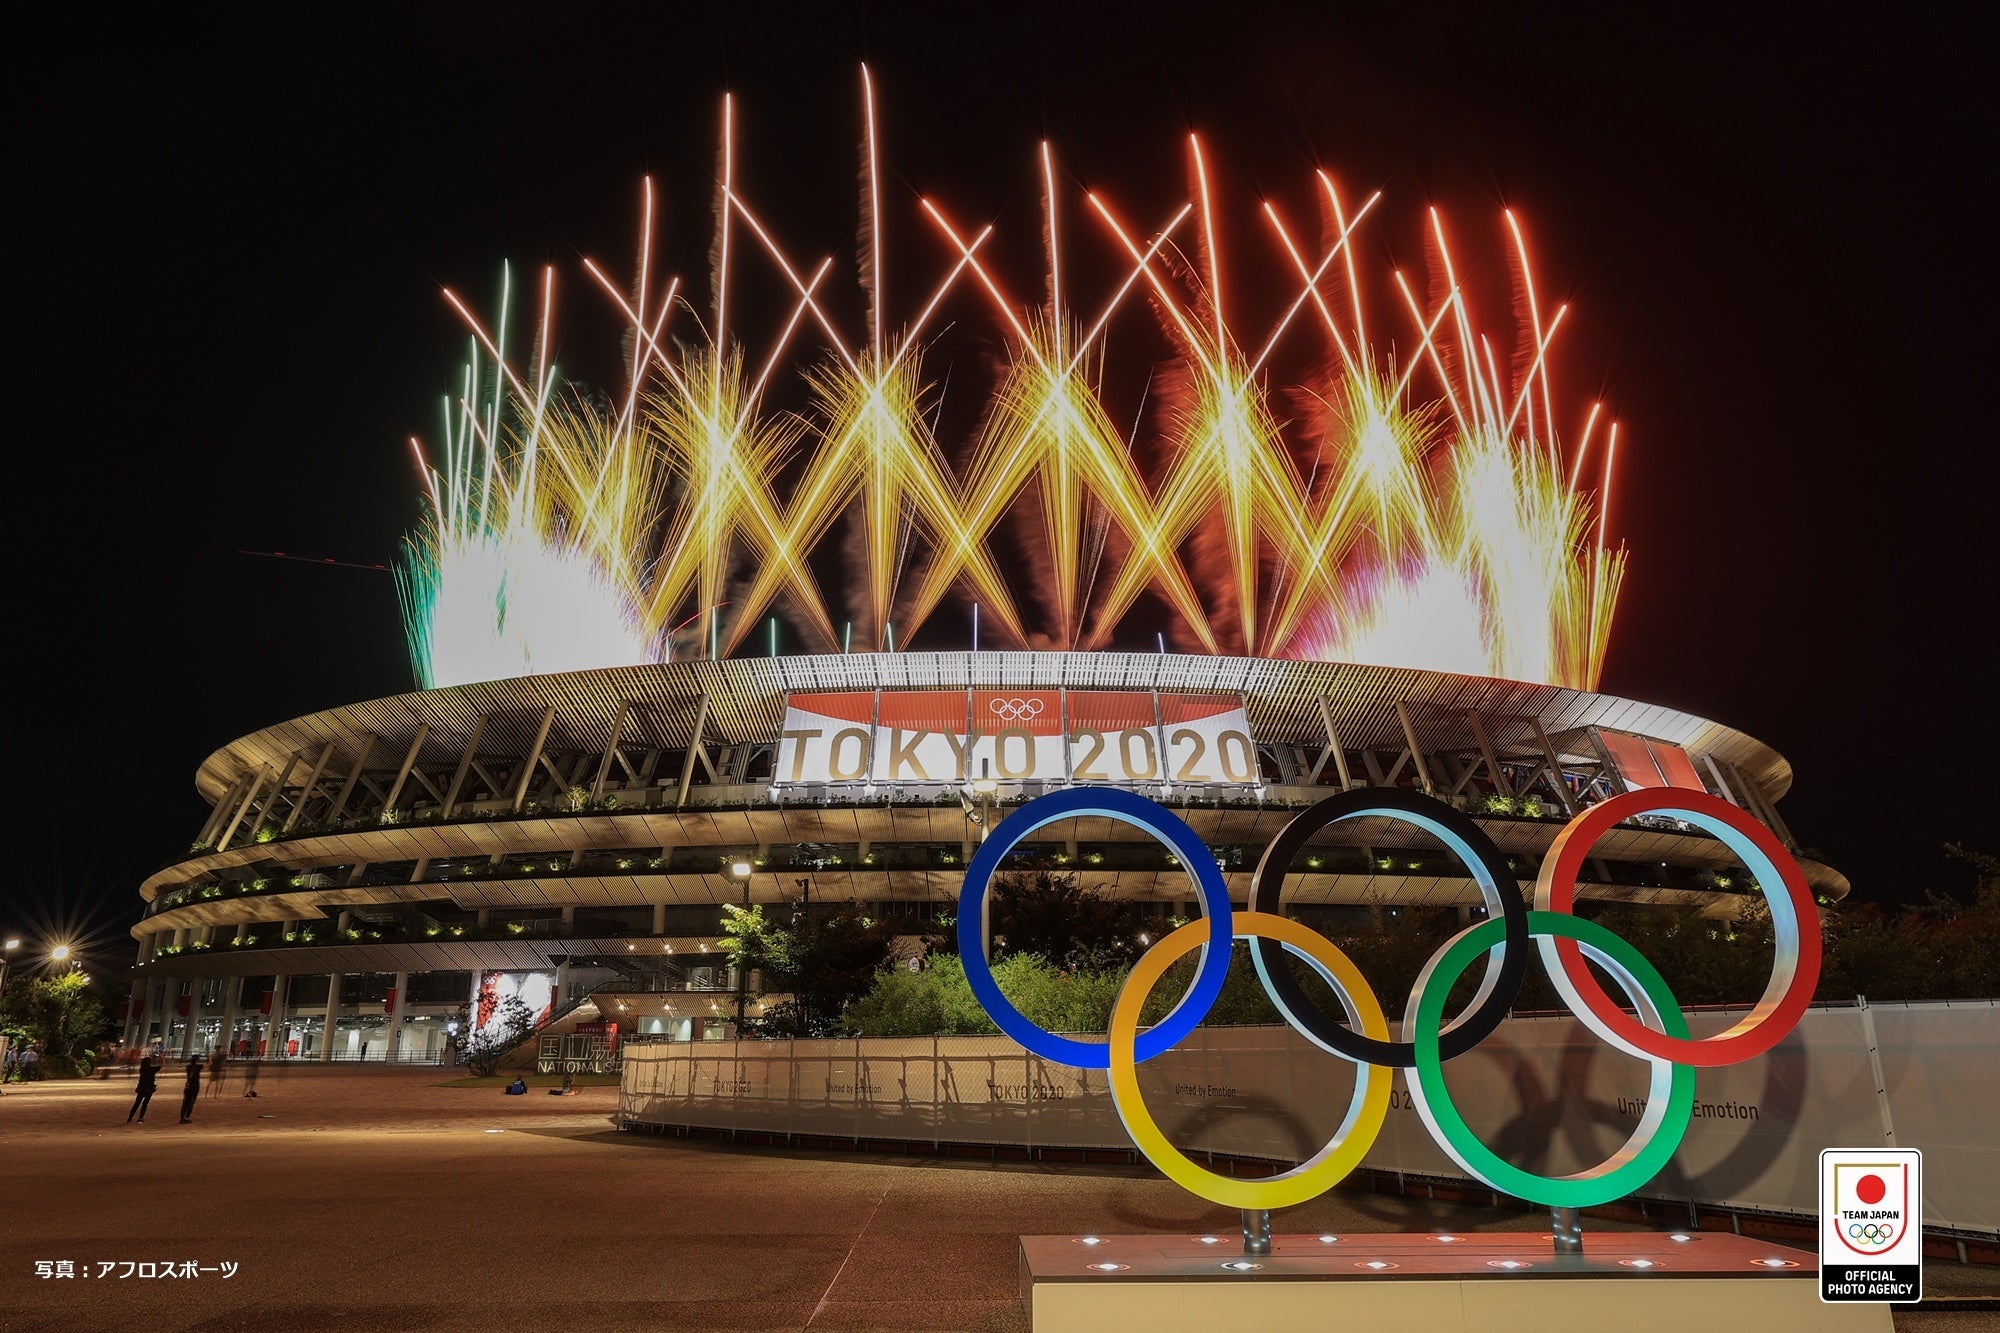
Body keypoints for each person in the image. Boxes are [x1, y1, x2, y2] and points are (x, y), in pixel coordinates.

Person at [128, 1051, 162, 1123]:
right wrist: (161, 1056)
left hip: (141, 1088)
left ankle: (130, 1118)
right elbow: (162, 1065)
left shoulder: (142, 1070)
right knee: (145, 1104)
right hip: (149, 1088)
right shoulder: (152, 1069)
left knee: (136, 1104)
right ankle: (140, 1118)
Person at [178, 1056, 202, 1123]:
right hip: (195, 1085)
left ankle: (182, 1117)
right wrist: (208, 1057)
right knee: (192, 1102)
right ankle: (187, 1117)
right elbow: (209, 1063)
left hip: (188, 1085)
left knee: (185, 1102)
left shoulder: (188, 1067)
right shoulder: (198, 1067)